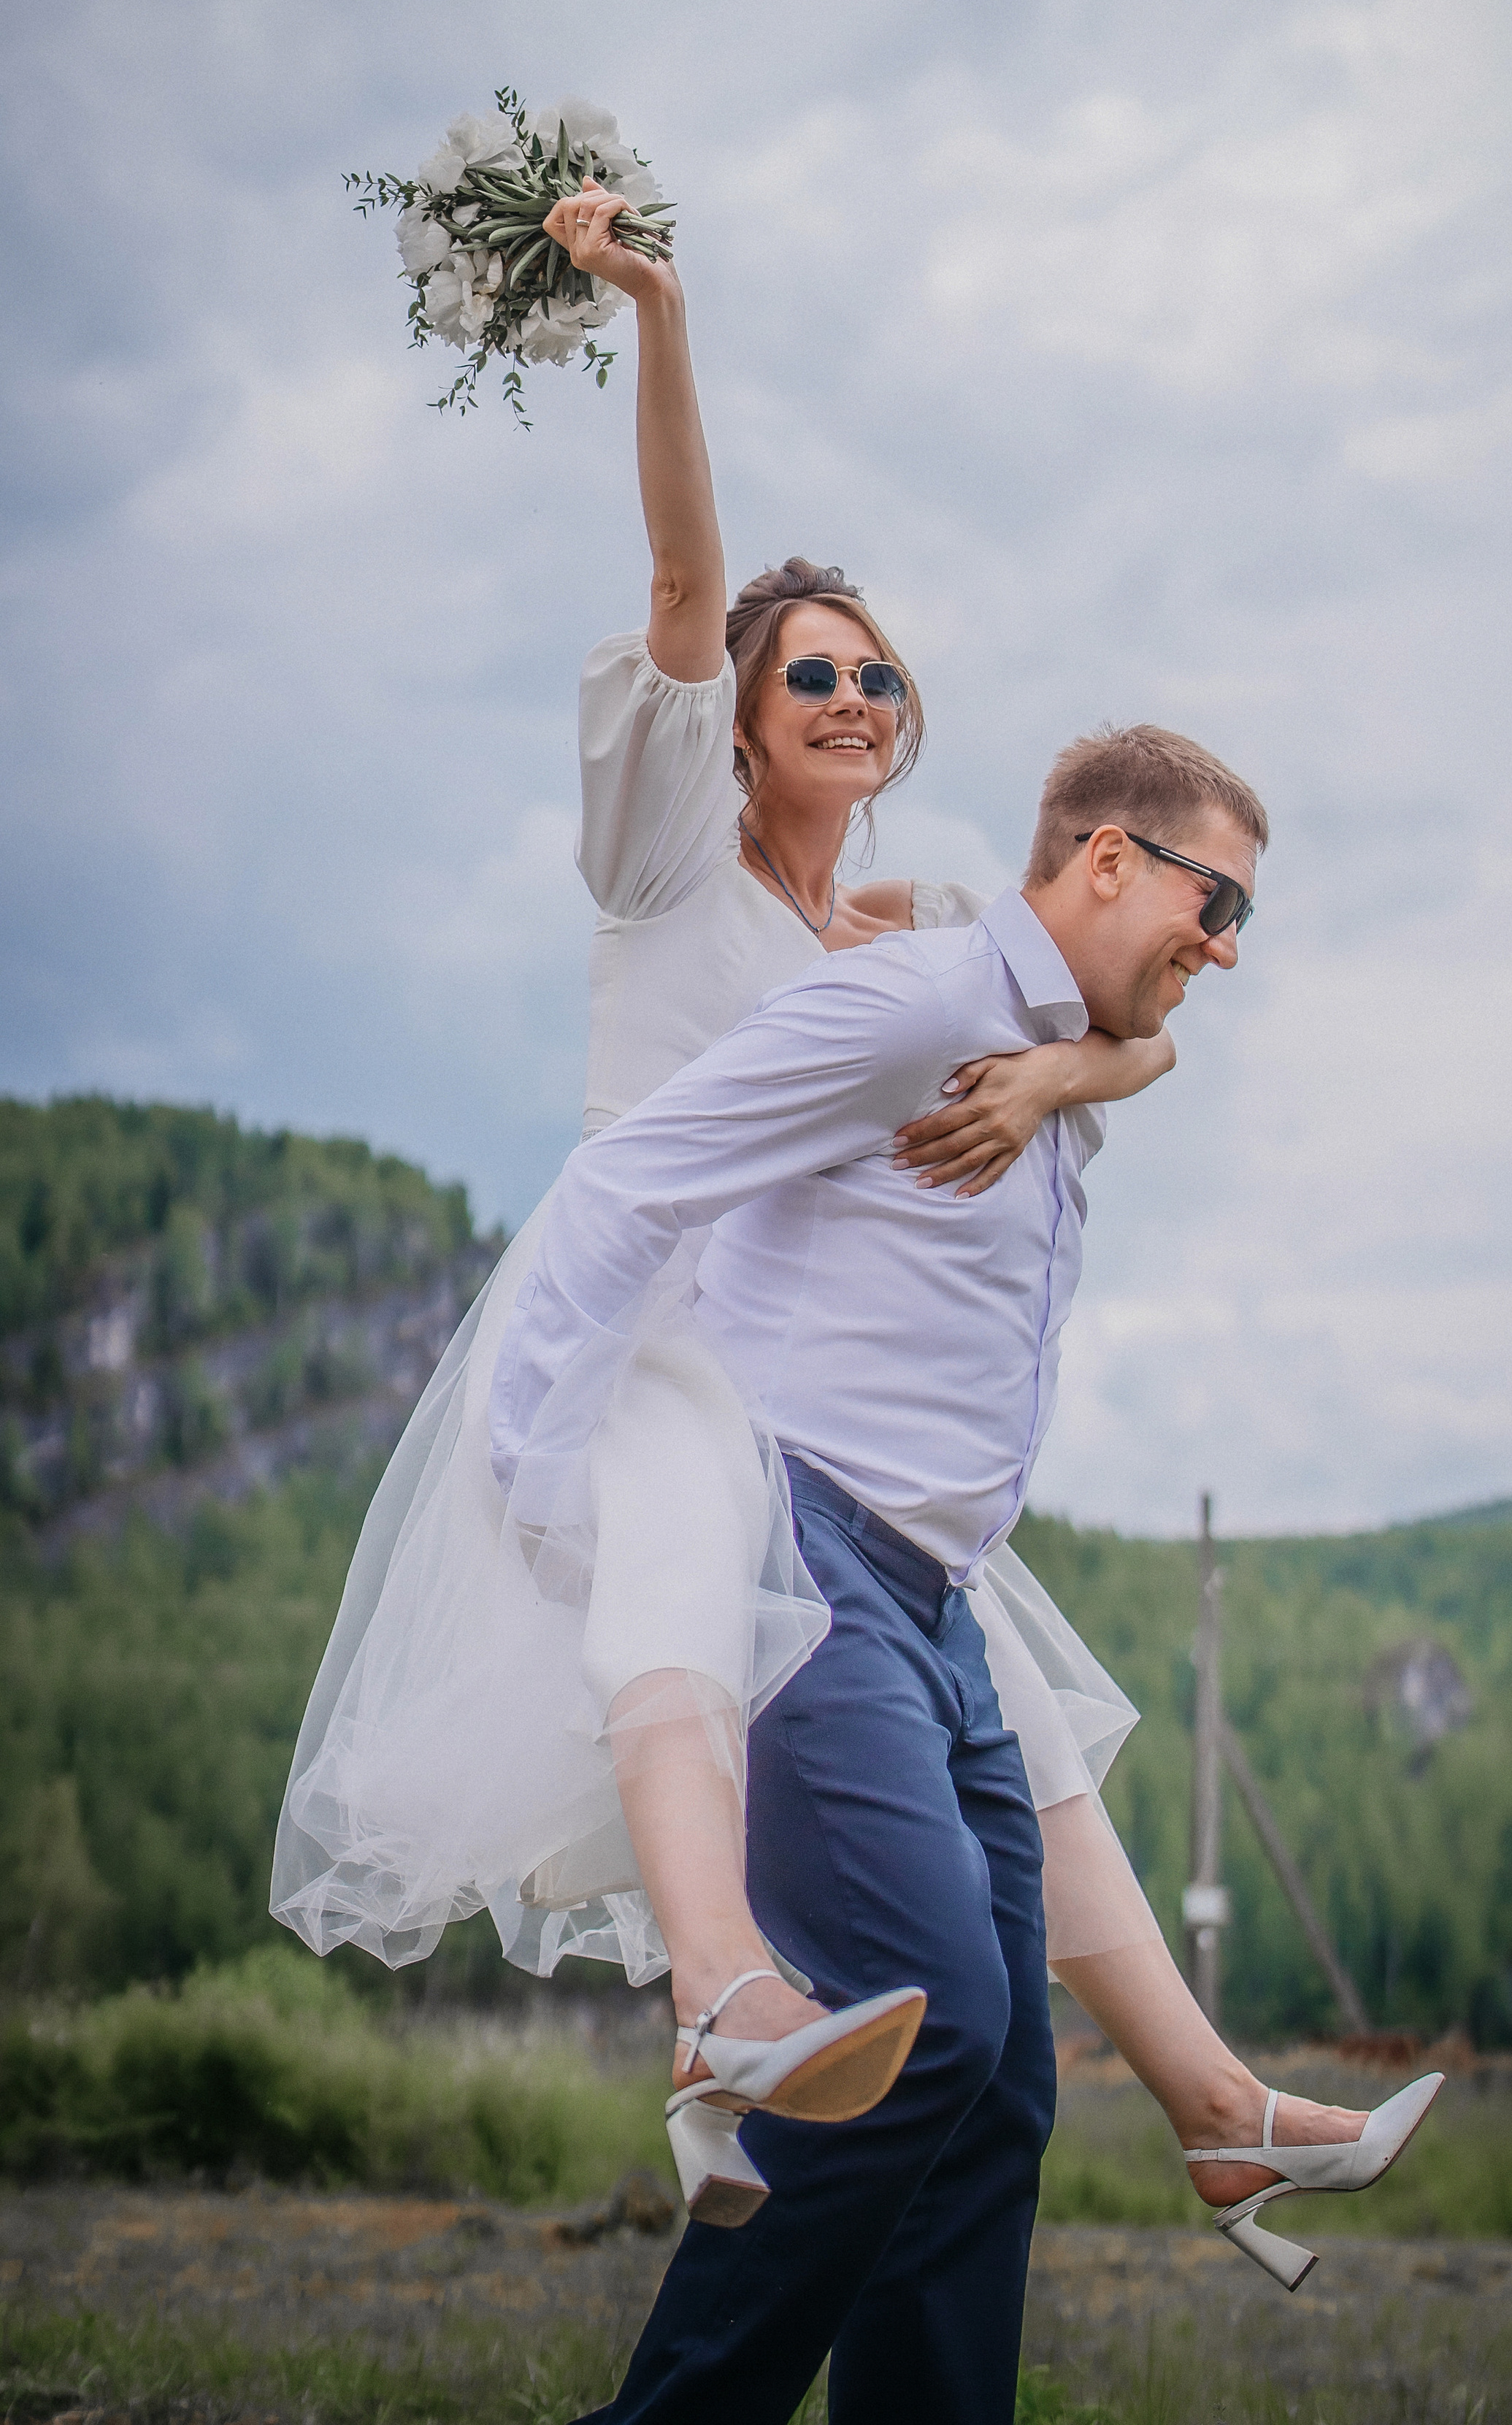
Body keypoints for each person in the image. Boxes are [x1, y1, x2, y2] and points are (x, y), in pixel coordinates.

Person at [272, 183, 1430, 2319]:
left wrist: (1068, 1084)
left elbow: (1131, 1027)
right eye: (817, 669)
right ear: (737, 704)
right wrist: (656, 308)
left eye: (887, 674)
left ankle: (1202, 2094)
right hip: (648, 1332)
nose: (859, 693)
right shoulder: (661, 860)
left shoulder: (894, 937)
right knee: (719, 1634)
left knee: (1021, 1702)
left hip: (797, 1372)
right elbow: (688, 574)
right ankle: (725, 2010)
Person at [490, 716, 1440, 2424]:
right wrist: (543, 1478)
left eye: (1242, 920)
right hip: (813, 1557)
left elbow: (1143, 1046)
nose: (1222, 949)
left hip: (942, 1605)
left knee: (998, 2078)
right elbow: (631, 1176)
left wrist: (1077, 1068)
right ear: (1101, 861)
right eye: (1211, 902)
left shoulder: (1046, 1035)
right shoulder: (918, 1003)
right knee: (925, 2020)